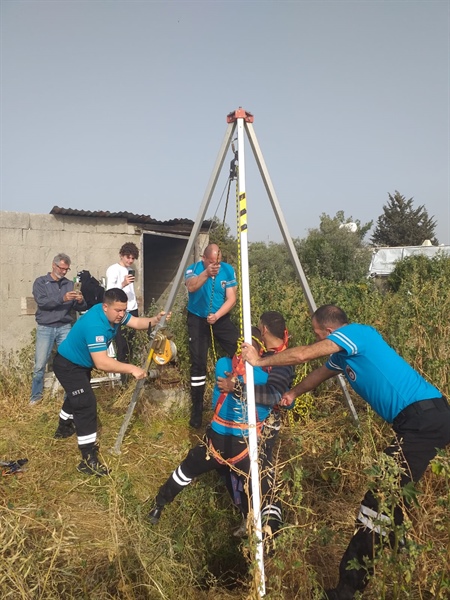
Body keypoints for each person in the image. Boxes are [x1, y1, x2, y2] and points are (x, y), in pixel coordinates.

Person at [241, 304, 450, 600]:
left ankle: (346, 590)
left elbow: (303, 354)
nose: (316, 339)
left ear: (329, 331)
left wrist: (259, 361)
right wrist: (292, 394)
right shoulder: (343, 355)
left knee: (375, 505)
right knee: (393, 495)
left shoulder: (357, 334)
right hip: (417, 422)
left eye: (316, 334)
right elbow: (318, 373)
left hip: (424, 420)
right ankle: (401, 552)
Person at [147, 314, 294, 540]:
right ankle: (270, 530)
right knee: (265, 486)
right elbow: (273, 398)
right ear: (259, 351)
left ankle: (158, 505)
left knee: (186, 470)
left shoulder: (222, 365)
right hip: (245, 446)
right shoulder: (264, 376)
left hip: (216, 442)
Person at [52, 287, 167, 476]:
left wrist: (155, 320)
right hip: (68, 365)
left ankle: (63, 427)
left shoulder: (115, 314)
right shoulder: (95, 325)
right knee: (86, 404)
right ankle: (88, 460)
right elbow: (102, 362)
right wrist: (131, 368)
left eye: (124, 310)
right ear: (105, 307)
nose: (122, 314)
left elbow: (137, 321)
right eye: (118, 310)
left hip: (80, 365)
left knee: (77, 395)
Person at [185, 243, 239, 428]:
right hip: (197, 319)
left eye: (218, 261)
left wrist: (217, 315)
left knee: (239, 349)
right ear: (205, 259)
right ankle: (197, 410)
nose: (216, 265)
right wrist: (207, 273)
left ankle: (240, 392)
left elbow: (232, 297)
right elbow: (191, 287)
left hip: (219, 317)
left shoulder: (228, 270)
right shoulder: (193, 269)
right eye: (212, 262)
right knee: (198, 362)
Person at [30, 253, 86, 405]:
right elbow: (43, 303)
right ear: (53, 265)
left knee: (69, 362)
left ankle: (69, 397)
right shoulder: (41, 282)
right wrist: (63, 298)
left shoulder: (69, 284)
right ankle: (36, 397)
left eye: (67, 269)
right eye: (62, 268)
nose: (63, 272)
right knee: (40, 364)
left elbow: (80, 307)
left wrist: (80, 301)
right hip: (45, 327)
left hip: (64, 327)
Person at [106, 242, 140, 366]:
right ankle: (122, 377)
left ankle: (130, 372)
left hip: (132, 309)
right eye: (128, 257)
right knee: (122, 344)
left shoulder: (130, 270)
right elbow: (109, 292)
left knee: (131, 343)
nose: (130, 260)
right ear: (121, 255)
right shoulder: (113, 269)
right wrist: (123, 284)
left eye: (133, 258)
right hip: (120, 311)